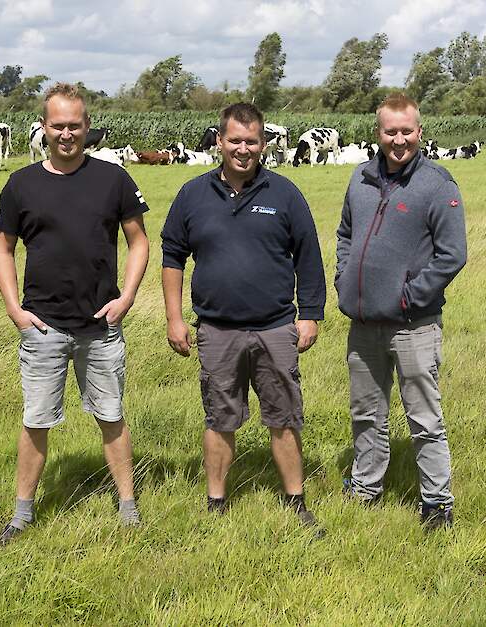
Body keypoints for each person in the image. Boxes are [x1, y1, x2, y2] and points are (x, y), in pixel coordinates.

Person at [0, 83, 150, 546]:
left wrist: (127, 298)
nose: (66, 134)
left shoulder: (112, 179)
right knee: (36, 420)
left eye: (74, 125)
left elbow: (139, 241)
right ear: (44, 127)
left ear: (87, 126)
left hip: (101, 327)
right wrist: (14, 309)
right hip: (43, 326)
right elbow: (3, 248)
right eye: (57, 125)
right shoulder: (21, 184)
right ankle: (22, 514)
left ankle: (128, 508)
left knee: (111, 416)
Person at [161, 103, 326, 535]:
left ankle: (296, 501)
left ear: (264, 144)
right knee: (220, 417)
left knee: (284, 416)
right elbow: (172, 257)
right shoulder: (192, 195)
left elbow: (309, 255)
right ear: (219, 141)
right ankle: (216, 501)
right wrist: (174, 318)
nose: (243, 149)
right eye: (234, 140)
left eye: (252, 141)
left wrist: (309, 315)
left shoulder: (284, 194)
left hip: (275, 326)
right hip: (217, 329)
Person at [335, 93, 467, 531]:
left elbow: (452, 255)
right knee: (365, 412)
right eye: (390, 131)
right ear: (379, 133)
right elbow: (346, 234)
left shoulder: (437, 183)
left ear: (419, 131)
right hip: (363, 323)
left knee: (424, 417)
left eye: (406, 131)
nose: (399, 139)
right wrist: (343, 279)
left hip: (414, 325)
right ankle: (366, 488)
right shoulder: (360, 178)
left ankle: (436, 503)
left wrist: (409, 296)